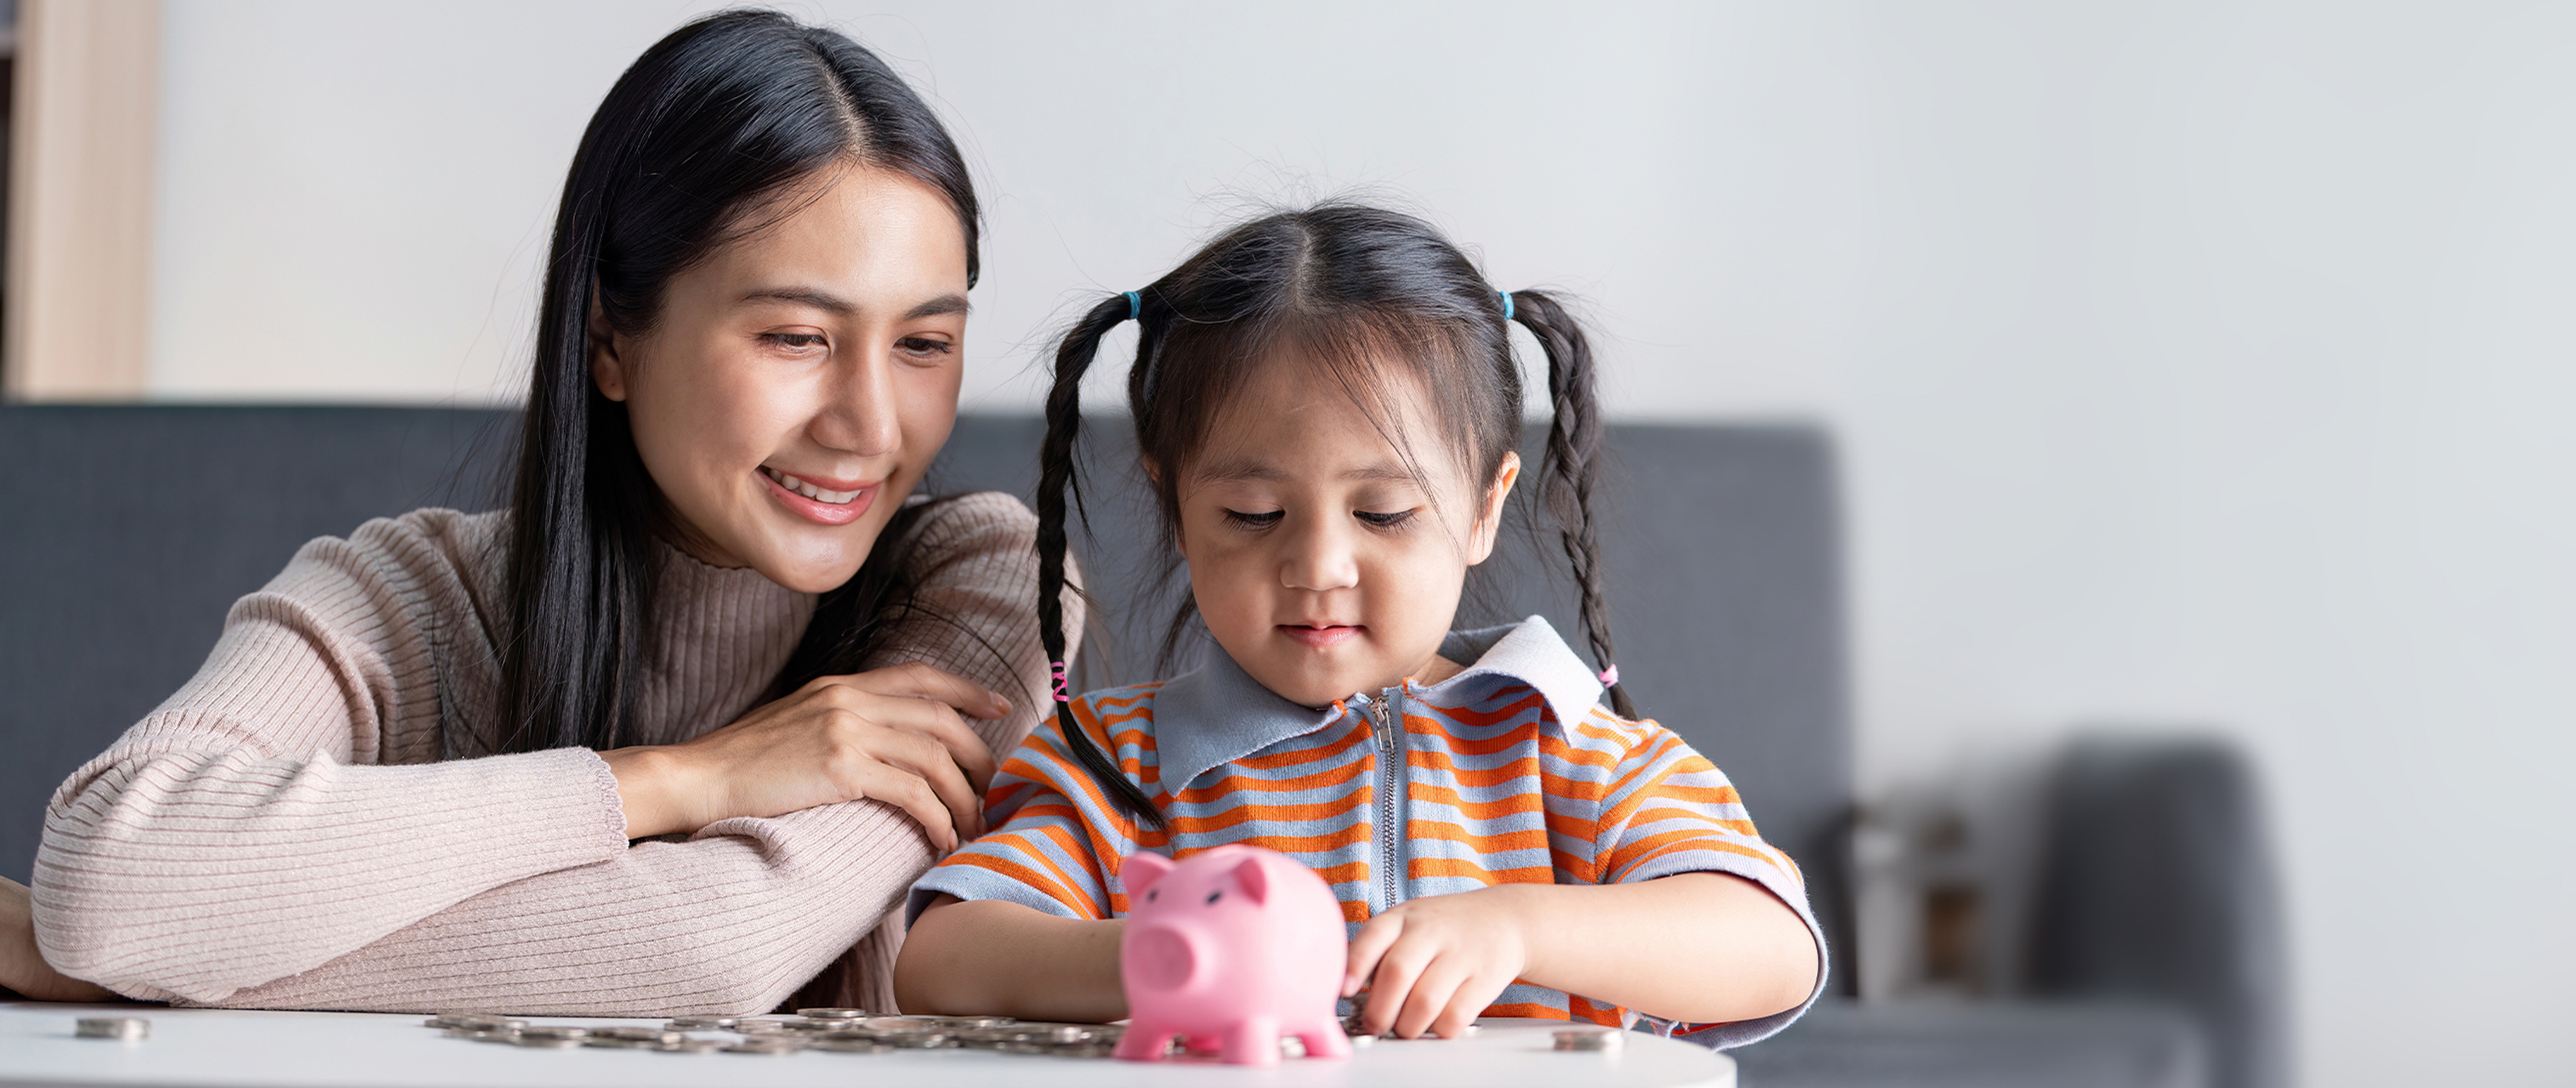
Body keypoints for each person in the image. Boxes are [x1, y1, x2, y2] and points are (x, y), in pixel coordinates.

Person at [0, 10, 1067, 1014]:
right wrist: (682, 776)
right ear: (610, 340)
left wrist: (174, 968)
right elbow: (110, 878)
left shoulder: (987, 587)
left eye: (924, 344)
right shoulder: (410, 594)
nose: (872, 426)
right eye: (795, 337)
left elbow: (714, 945)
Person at [891, 204, 1823, 1050]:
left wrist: (1518, 925)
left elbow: (1772, 941)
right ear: (1172, 501)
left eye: (1382, 514)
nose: (1318, 566)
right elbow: (941, 957)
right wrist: (1156, 954)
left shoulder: (1569, 746)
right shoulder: (1113, 763)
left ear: (1482, 508)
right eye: (1253, 514)